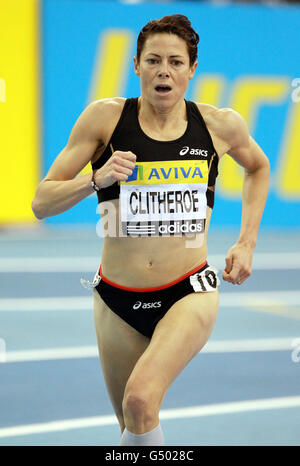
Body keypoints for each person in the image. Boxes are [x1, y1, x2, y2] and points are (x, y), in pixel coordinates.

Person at [31, 14, 270, 446]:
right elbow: (41, 203)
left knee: (139, 401)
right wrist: (94, 179)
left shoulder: (220, 125)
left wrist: (246, 241)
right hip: (116, 297)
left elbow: (258, 167)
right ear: (137, 65)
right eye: (154, 60)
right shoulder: (103, 120)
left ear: (192, 70)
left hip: (188, 288)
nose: (165, 70)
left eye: (176, 62)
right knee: (132, 425)